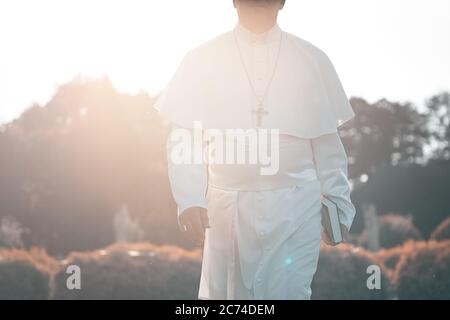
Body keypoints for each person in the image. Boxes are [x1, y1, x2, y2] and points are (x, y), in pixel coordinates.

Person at [153, 0, 356, 299]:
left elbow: (327, 143)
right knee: (230, 299)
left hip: (297, 208)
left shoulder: (311, 59)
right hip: (226, 210)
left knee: (290, 294)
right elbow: (185, 136)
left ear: (283, 2)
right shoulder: (201, 59)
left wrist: (338, 201)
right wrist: (190, 197)